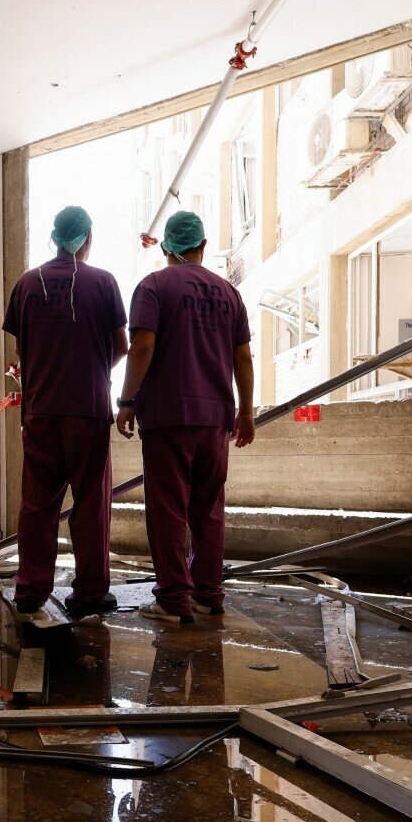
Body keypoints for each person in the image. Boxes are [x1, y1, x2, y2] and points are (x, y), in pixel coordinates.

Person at [115, 211, 255, 626]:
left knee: (168, 511)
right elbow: (243, 357)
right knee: (208, 509)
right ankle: (209, 595)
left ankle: (174, 601)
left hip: (168, 416)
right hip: (215, 419)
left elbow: (142, 346)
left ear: (165, 247)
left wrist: (126, 400)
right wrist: (245, 411)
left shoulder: (153, 286)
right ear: (203, 246)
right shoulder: (229, 293)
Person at [2, 205, 129, 618]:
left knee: (38, 503)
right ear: (87, 239)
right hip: (88, 409)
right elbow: (122, 346)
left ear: (54, 238)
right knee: (91, 503)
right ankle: (91, 591)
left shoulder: (25, 284)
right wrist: (91, 369)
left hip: (40, 409)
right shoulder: (104, 282)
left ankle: (30, 590)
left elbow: (22, 352)